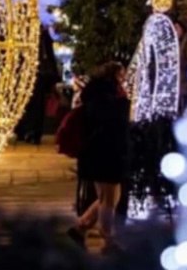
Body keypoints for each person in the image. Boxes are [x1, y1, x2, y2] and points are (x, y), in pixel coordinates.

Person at [67, 61, 130, 253]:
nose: (124, 79)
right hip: (104, 151)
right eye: (122, 75)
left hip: (99, 152)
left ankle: (81, 227)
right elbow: (109, 120)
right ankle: (107, 239)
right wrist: (124, 104)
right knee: (109, 197)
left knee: (110, 196)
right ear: (114, 76)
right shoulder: (105, 96)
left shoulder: (98, 93)